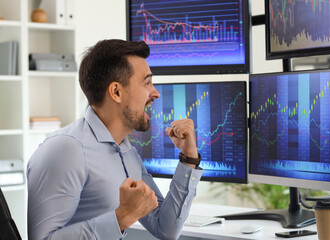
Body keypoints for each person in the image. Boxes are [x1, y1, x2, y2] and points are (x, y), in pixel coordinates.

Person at [27, 39, 203, 240]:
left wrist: (189, 159)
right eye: (147, 82)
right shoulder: (66, 149)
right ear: (116, 92)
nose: (155, 93)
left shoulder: (126, 151)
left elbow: (166, 228)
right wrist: (120, 218)